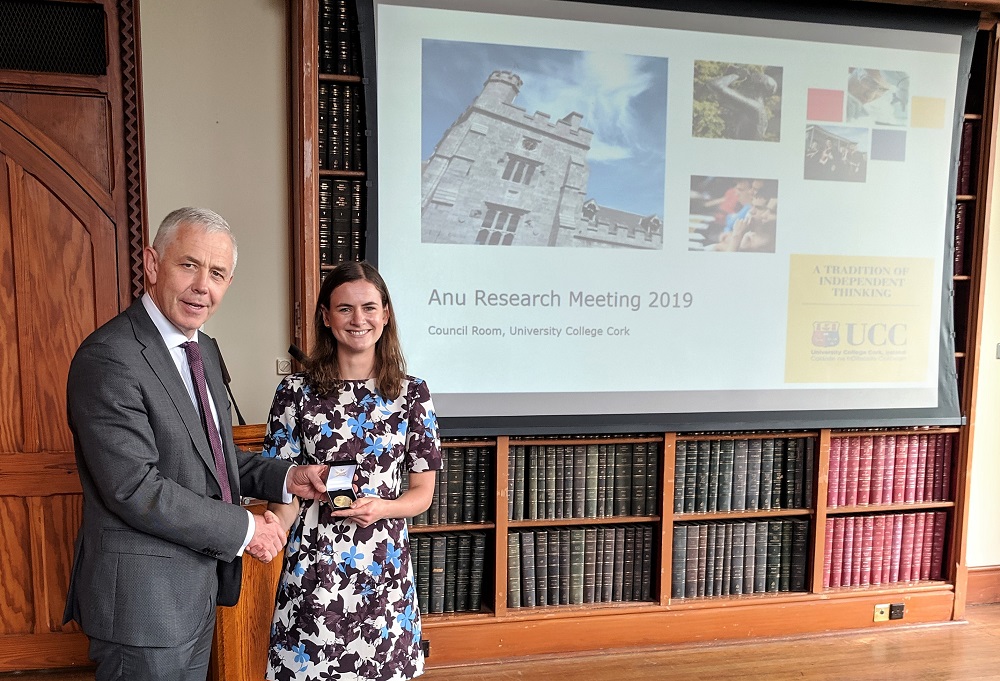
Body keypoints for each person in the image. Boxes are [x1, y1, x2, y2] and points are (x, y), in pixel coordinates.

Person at [63, 207, 330, 681]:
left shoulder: (202, 347)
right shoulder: (110, 357)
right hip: (141, 608)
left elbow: (211, 455)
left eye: (218, 273)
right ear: (151, 264)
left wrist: (285, 476)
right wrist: (248, 529)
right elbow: (135, 488)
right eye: (189, 265)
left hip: (195, 592)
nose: (202, 285)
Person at [264, 261, 441, 681]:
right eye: (344, 309)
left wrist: (382, 508)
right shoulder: (294, 393)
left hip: (383, 571)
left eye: (368, 307)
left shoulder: (412, 394)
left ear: (385, 314)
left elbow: (422, 493)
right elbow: (282, 490)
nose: (357, 319)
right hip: (313, 568)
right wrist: (269, 531)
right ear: (326, 317)